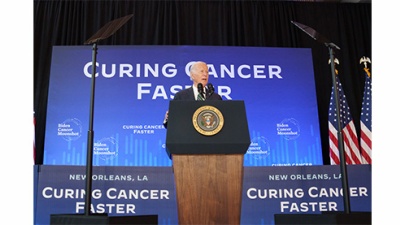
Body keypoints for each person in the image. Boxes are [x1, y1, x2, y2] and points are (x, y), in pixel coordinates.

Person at [163, 61, 222, 128]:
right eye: (202, 71)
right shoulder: (181, 96)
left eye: (207, 72)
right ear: (192, 75)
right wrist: (168, 118)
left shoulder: (216, 97)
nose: (205, 74)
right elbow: (170, 124)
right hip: (187, 136)